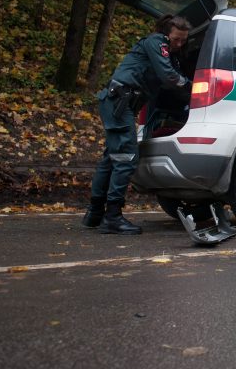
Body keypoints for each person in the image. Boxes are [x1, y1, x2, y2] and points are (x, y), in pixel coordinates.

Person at [82, 14, 192, 234]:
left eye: (183, 41)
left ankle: (94, 214)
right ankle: (112, 217)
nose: (179, 44)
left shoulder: (166, 50)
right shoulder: (156, 42)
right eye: (176, 39)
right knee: (126, 158)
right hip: (119, 102)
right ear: (166, 33)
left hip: (120, 103)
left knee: (111, 159)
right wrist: (192, 86)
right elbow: (169, 76)